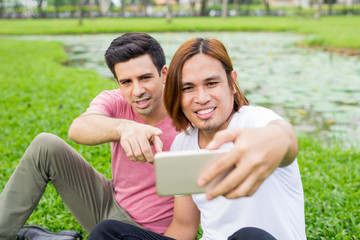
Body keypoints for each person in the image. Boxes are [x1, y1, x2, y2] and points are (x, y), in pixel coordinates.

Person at [89, 38, 306, 239]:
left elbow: (285, 138)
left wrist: (274, 141)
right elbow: (184, 226)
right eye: (188, 88)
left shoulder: (257, 121)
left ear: (232, 83)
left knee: (249, 236)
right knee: (107, 231)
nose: (201, 98)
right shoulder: (182, 144)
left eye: (211, 83)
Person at [0, 32, 177, 240]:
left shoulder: (188, 112)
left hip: (142, 231)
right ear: (118, 82)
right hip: (110, 202)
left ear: (163, 74)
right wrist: (124, 128)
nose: (137, 90)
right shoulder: (115, 100)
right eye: (126, 82)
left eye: (145, 78)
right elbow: (79, 128)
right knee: (45, 144)